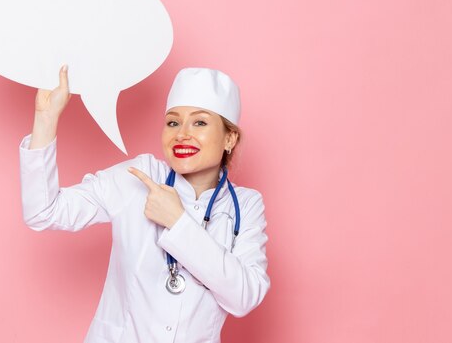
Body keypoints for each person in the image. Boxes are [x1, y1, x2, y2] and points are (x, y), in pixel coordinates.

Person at [19, 65, 270, 343]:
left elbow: (244, 296)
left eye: (199, 122)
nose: (182, 134)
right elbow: (44, 211)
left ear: (229, 138)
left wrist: (178, 221)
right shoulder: (138, 177)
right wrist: (45, 119)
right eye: (173, 122)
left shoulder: (245, 206)